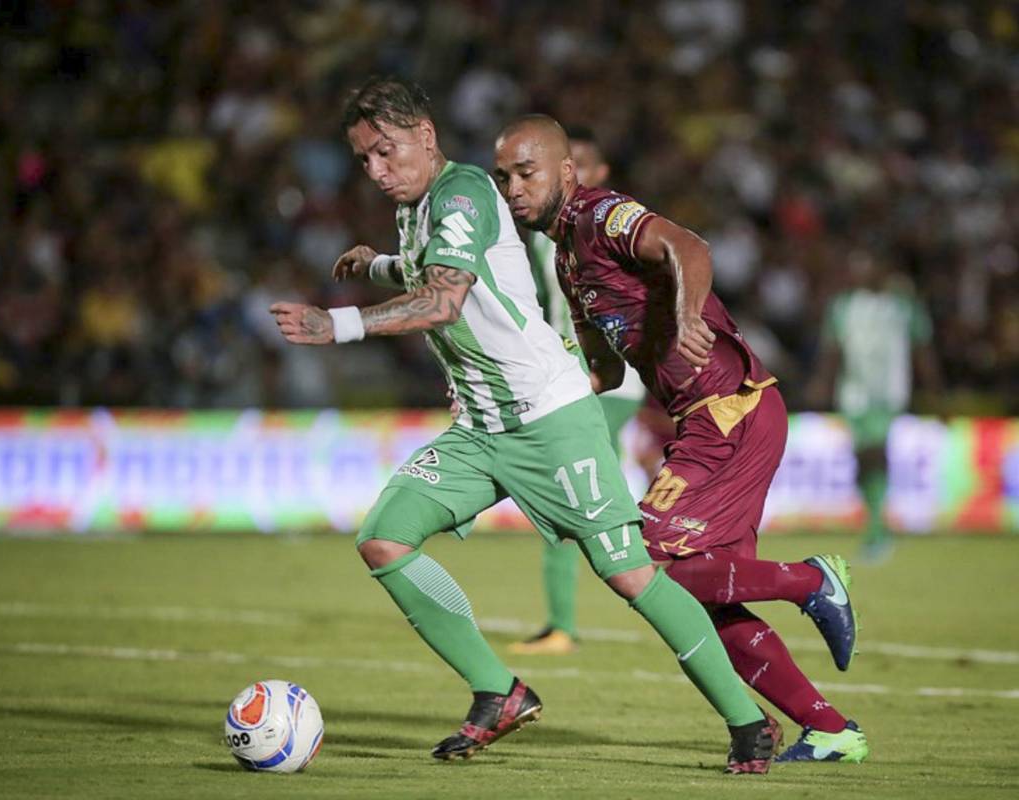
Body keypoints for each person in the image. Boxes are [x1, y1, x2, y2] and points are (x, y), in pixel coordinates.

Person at [271, 76, 779, 773]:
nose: (377, 171)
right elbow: (433, 270)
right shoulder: (418, 211)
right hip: (482, 430)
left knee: (631, 576)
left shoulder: (464, 193)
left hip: (549, 417)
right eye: (364, 160)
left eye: (386, 152)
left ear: (426, 136)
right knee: (384, 539)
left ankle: (749, 724)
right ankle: (497, 691)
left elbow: (445, 301)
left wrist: (342, 322)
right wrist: (379, 265)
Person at [494, 114, 869, 764]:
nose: (512, 189)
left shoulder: (601, 215)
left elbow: (689, 246)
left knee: (645, 553)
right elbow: (606, 371)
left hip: (729, 412)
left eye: (525, 173)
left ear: (565, 172)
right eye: (503, 178)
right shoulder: (566, 259)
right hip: (705, 422)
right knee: (711, 593)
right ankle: (831, 729)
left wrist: (690, 314)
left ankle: (810, 581)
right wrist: (530, 386)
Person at [510, 126, 646, 656]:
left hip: (608, 382)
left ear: (599, 173)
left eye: (583, 166)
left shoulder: (609, 223)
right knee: (583, 495)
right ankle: (565, 618)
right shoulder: (547, 234)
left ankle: (566, 621)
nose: (574, 175)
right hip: (574, 378)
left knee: (572, 494)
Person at [806, 249, 942, 563]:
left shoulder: (905, 306)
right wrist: (821, 383)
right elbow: (832, 349)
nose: (861, 272)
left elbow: (922, 349)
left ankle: (878, 532)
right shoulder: (843, 307)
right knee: (863, 461)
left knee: (875, 454)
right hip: (852, 394)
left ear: (882, 269)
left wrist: (934, 389)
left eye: (867, 265)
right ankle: (876, 523)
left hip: (888, 394)